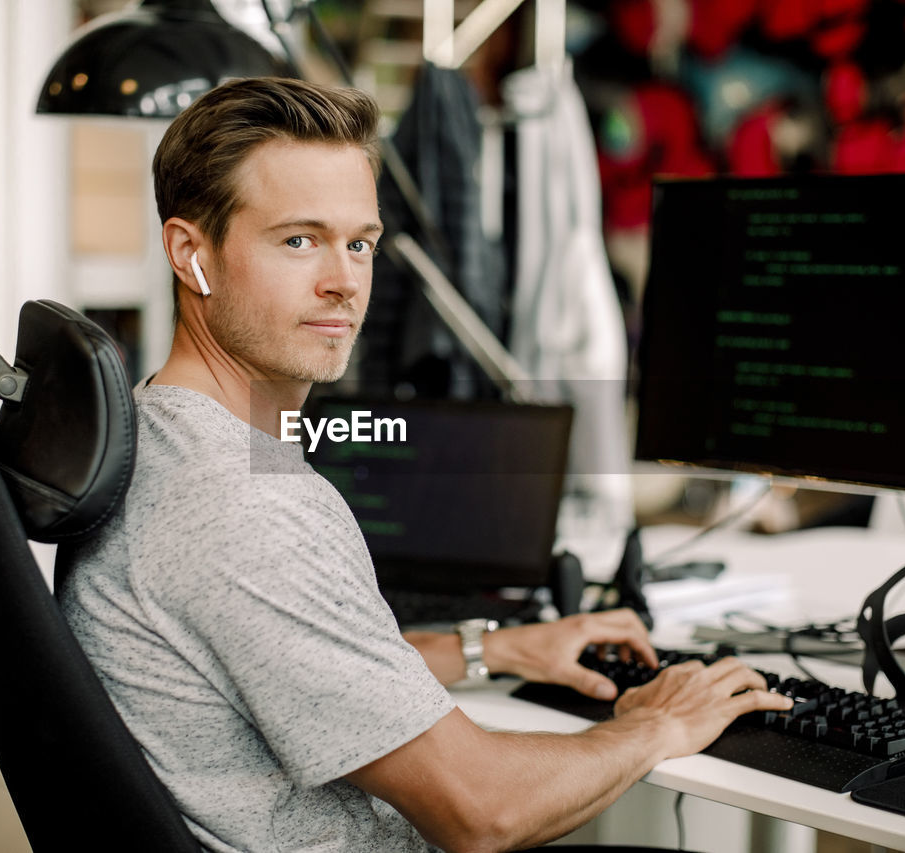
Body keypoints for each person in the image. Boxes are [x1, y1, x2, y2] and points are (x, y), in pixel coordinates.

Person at [58, 77, 791, 852]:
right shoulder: (245, 509)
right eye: (298, 239)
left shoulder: (161, 431)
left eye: (360, 242)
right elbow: (482, 810)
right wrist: (655, 726)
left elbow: (291, 658)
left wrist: (494, 648)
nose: (344, 280)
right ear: (189, 253)